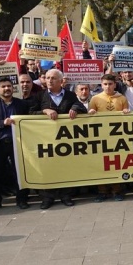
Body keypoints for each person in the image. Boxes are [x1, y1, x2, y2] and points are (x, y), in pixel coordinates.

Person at [30, 69, 87, 209]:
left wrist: (74, 108)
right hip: (46, 140)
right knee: (47, 168)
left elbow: (81, 107)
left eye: (53, 78)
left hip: (65, 140)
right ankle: (47, 197)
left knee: (65, 168)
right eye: (48, 78)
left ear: (61, 81)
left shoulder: (70, 95)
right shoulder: (39, 96)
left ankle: (66, 195)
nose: (49, 80)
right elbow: (29, 113)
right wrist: (44, 111)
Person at [0, 78, 31, 212]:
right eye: (3, 87)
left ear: (13, 88)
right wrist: (2, 123)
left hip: (18, 143)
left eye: (9, 86)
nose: (6, 89)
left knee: (20, 172)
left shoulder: (22, 104)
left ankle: (22, 199)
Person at [88, 74, 130, 202]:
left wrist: (127, 112)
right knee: (101, 164)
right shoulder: (95, 99)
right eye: (105, 84)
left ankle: (117, 190)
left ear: (115, 85)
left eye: (110, 84)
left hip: (117, 138)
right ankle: (102, 191)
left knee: (116, 164)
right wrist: (91, 113)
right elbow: (89, 119)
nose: (108, 87)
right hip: (101, 137)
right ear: (101, 85)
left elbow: (128, 117)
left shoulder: (122, 98)